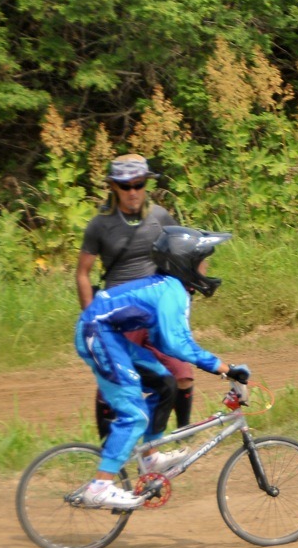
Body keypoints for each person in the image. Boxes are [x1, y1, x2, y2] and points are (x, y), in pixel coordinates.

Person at [76, 225, 251, 509]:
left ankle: (150, 455)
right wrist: (225, 368)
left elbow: (166, 343)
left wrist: (221, 367)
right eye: (203, 262)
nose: (207, 268)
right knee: (134, 415)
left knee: (165, 382)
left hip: (108, 336)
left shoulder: (170, 288)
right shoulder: (172, 292)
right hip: (97, 336)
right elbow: (179, 345)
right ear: (187, 264)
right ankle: (99, 486)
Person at [76, 154, 197, 437]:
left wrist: (185, 293)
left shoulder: (159, 217)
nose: (133, 192)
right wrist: (90, 317)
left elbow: (184, 250)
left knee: (182, 374)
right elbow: (83, 273)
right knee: (116, 382)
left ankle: (182, 437)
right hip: (118, 315)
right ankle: (107, 446)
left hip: (154, 315)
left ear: (146, 184)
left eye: (139, 184)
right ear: (113, 187)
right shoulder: (100, 225)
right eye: (125, 185)